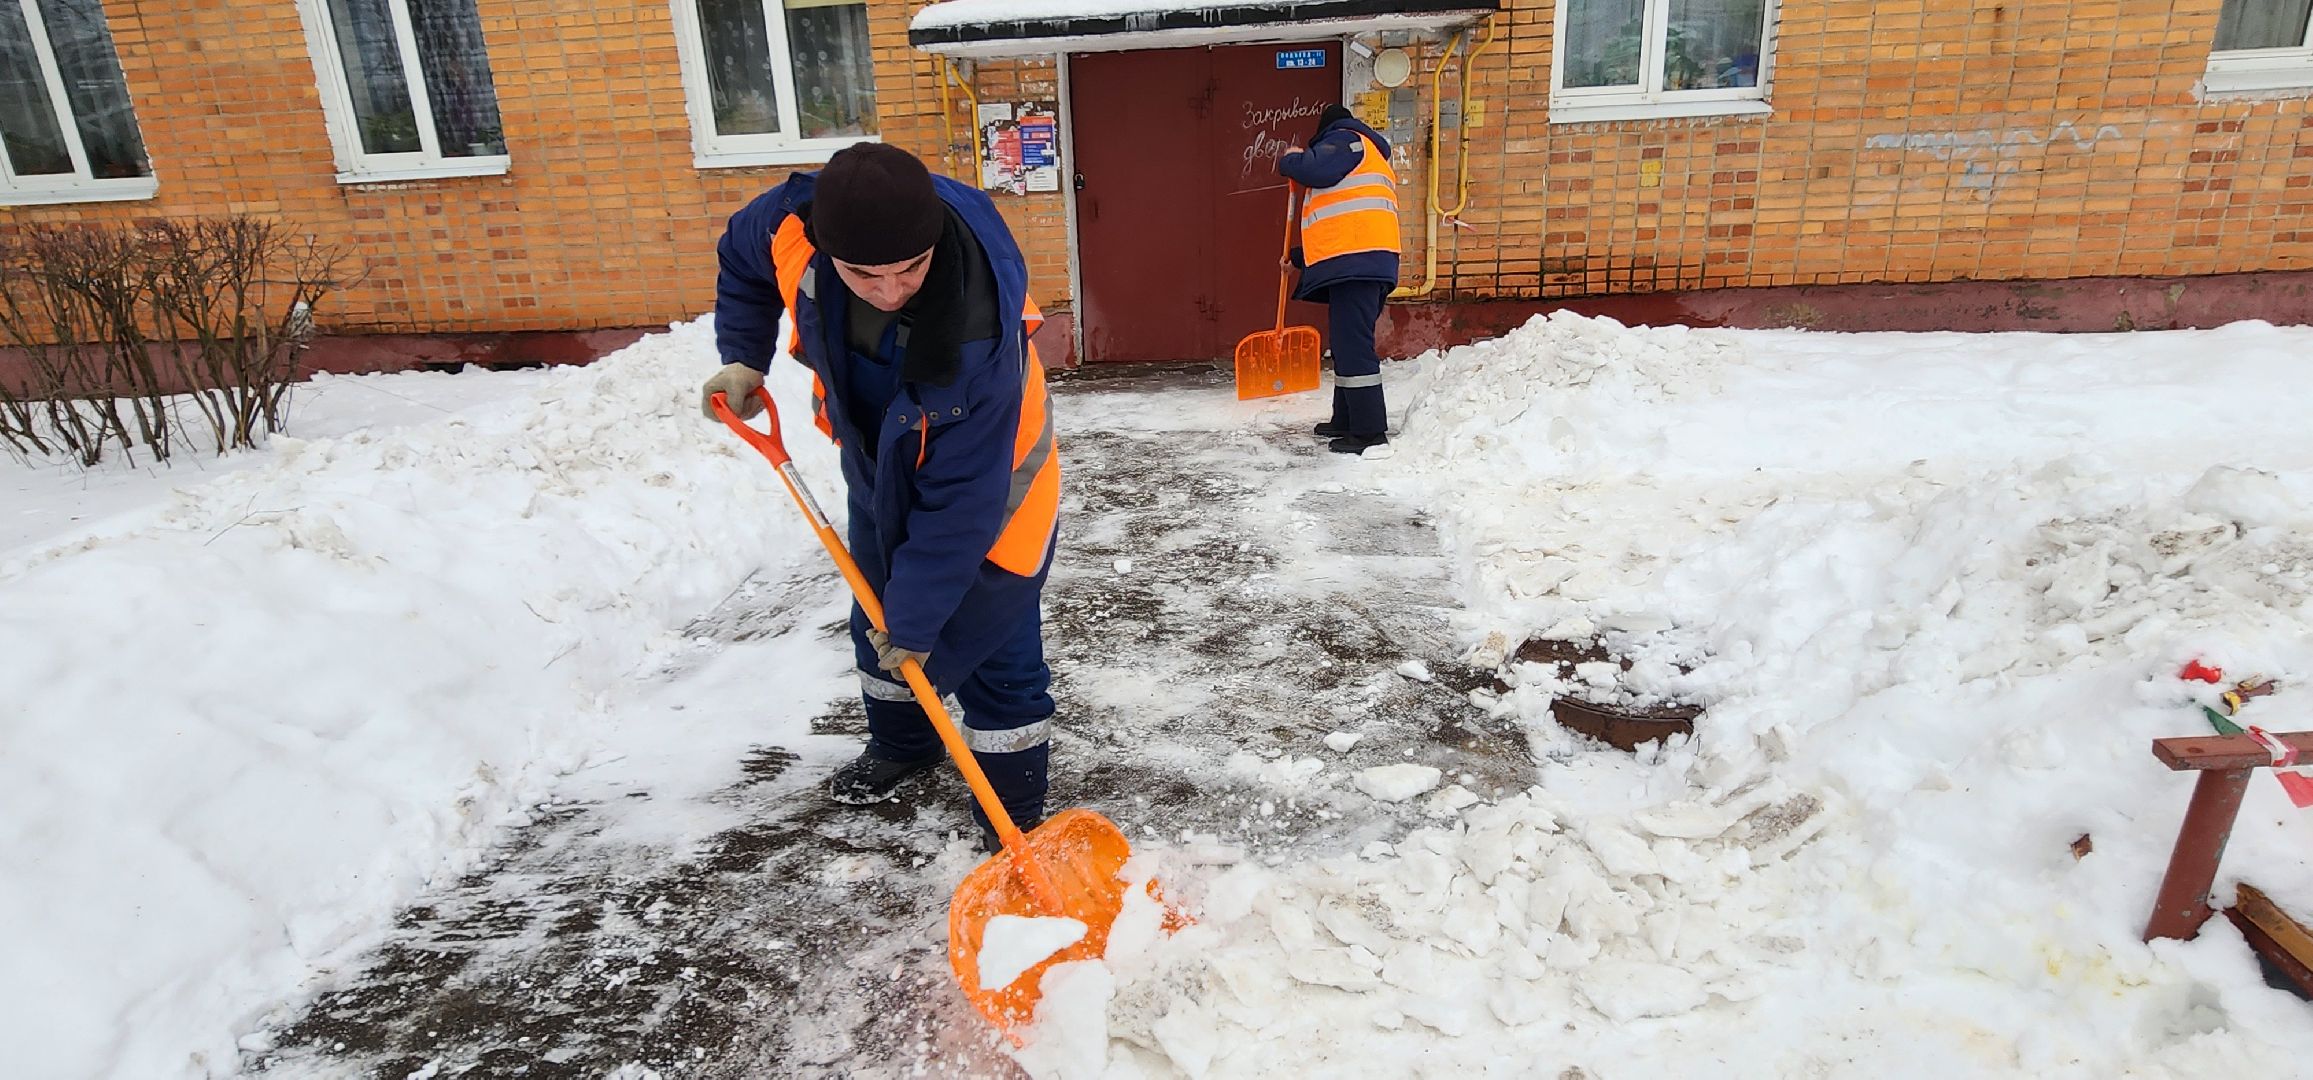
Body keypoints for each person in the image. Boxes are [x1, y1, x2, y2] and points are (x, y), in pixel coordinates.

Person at [699, 143, 1061, 853]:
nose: (890, 290)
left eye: (909, 270)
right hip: (874, 452)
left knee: (989, 634)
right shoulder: (787, 226)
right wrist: (744, 353)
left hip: (999, 473)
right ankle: (903, 744)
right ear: (824, 245)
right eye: (865, 274)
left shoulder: (978, 329)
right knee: (875, 607)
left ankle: (1012, 812)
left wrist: (921, 620)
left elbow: (962, 501)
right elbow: (741, 261)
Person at [1278, 104, 1401, 455]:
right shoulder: (1363, 153)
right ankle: (1346, 421)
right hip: (1359, 261)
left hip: (1359, 265)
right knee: (1347, 344)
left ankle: (1370, 432)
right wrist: (1299, 259)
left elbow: (1312, 169)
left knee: (1354, 346)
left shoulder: (1350, 141)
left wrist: (1292, 158)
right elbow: (1341, 226)